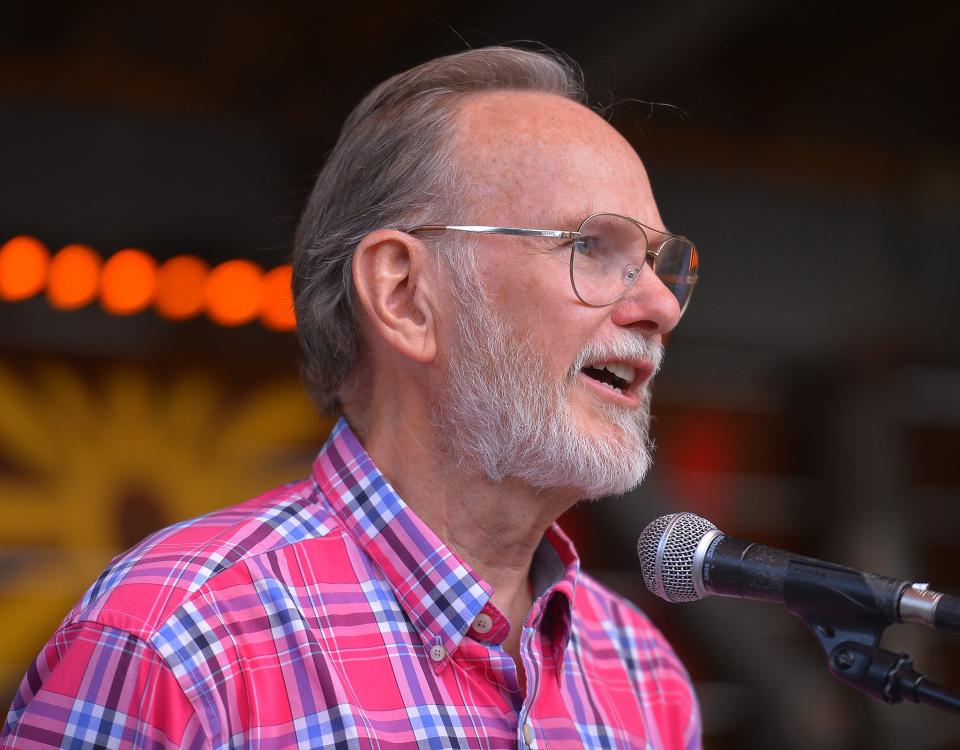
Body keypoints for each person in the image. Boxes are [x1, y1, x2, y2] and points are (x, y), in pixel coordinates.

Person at [2, 47, 701, 748]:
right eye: (590, 247)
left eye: (657, 264)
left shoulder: (644, 673)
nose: (659, 307)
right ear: (403, 295)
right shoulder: (175, 640)